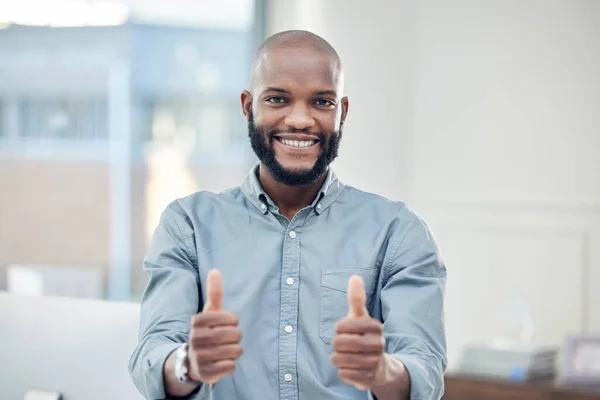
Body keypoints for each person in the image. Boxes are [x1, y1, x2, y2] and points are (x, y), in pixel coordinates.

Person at [129, 30, 447, 400]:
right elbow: (151, 357)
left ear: (342, 112)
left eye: (321, 102)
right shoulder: (188, 225)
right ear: (248, 106)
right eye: (278, 99)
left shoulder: (399, 232)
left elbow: (423, 368)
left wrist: (383, 371)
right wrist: (189, 362)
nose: (300, 120)